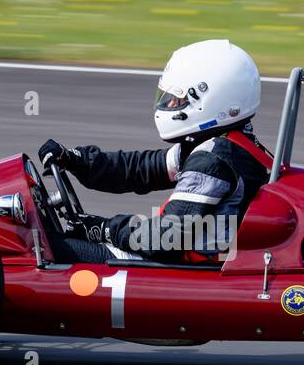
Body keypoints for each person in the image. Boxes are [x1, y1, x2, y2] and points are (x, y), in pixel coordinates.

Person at [38, 39, 269, 263]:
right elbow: (138, 169)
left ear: (213, 99)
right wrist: (76, 159)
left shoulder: (212, 162)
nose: (168, 105)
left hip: (187, 271)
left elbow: (164, 239)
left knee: (45, 249)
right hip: (181, 258)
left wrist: (104, 229)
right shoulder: (227, 145)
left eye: (176, 98)